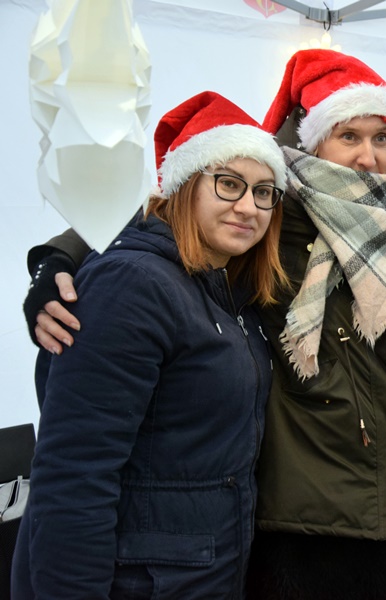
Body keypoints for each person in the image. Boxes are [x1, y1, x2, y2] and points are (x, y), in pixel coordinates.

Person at [21, 49, 386, 599]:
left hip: (369, 517)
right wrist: (56, 260)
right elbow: (157, 205)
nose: (367, 155)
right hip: (298, 518)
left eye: (382, 138)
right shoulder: (277, 215)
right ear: (308, 144)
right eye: (348, 135)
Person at [12, 90, 288, 598]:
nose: (248, 206)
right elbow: (75, 475)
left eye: (265, 191)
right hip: (136, 580)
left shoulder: (229, 293)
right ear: (182, 186)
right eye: (229, 184)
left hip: (201, 575)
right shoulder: (133, 284)